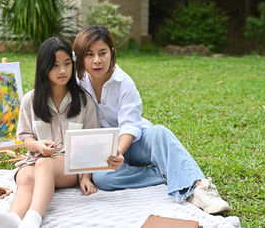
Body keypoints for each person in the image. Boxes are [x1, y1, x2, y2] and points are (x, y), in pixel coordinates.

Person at [73, 25, 231, 214]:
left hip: (133, 142)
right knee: (104, 179)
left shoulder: (124, 83)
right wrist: (85, 174)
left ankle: (199, 187)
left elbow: (131, 125)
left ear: (112, 52)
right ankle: (163, 174)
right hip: (103, 147)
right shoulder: (77, 81)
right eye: (89, 55)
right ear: (81, 57)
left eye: (102, 53)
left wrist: (119, 151)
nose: (97, 60)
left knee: (160, 133)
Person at [0, 37, 100, 228]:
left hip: (68, 166)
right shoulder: (30, 100)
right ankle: (13, 220)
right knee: (25, 177)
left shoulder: (83, 100)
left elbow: (90, 143)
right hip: (35, 160)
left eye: (67, 64)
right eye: (55, 66)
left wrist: (86, 177)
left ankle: (33, 218)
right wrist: (38, 145)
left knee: (44, 164)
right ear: (44, 68)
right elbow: (26, 138)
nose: (63, 71)